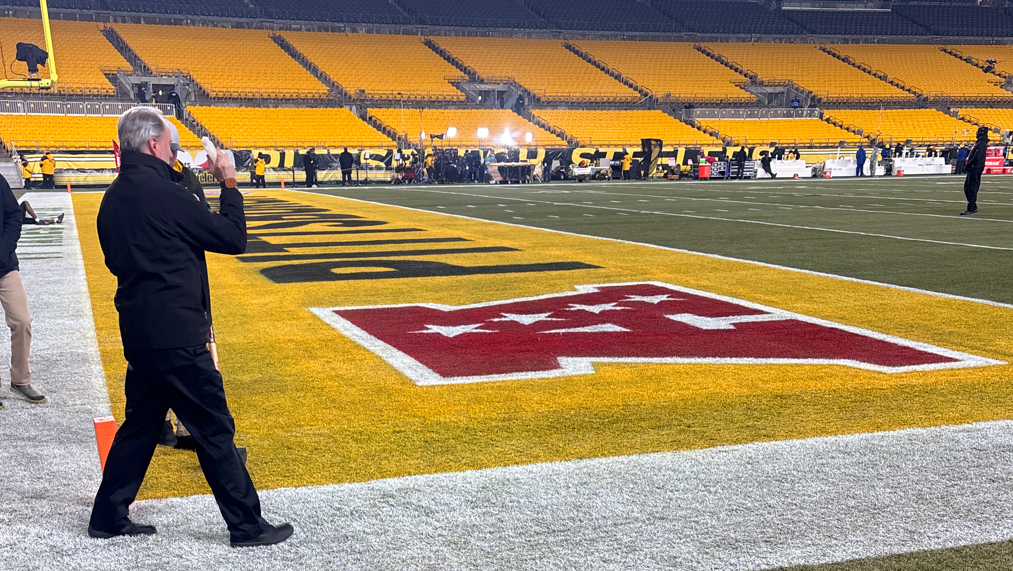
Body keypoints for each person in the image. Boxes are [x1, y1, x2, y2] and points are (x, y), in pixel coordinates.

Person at [89, 106, 293, 547]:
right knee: (214, 428)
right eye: (171, 145)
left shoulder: (113, 197)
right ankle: (247, 525)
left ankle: (107, 515)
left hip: (140, 332)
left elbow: (112, 261)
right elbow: (232, 238)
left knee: (141, 427)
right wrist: (229, 182)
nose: (174, 152)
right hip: (178, 335)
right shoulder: (167, 196)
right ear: (154, 144)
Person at [0, 173, 42, 410]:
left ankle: (20, 379)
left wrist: (2, 251)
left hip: (4, 266)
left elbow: (14, 216)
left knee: (22, 321)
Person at [961, 126, 989, 216]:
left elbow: (977, 157)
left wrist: (969, 165)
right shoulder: (980, 143)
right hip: (975, 167)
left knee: (971, 187)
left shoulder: (981, 144)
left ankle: (971, 207)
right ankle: (972, 205)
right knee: (968, 187)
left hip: (975, 167)